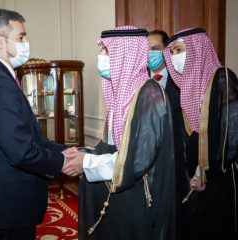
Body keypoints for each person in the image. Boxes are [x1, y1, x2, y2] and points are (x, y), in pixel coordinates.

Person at [63, 25, 176, 240]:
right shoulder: (122, 95)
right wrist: (85, 153)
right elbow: (115, 146)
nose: (101, 57)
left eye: (106, 51)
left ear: (124, 54)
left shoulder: (150, 95)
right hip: (122, 197)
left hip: (140, 201)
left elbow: (136, 161)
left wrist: (86, 163)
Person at [0, 9, 65, 240]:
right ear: (1, 42)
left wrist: (66, 150)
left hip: (7, 199)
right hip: (10, 202)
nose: (27, 43)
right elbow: (21, 151)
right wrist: (64, 162)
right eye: (21, 37)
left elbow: (27, 137)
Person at [162, 28, 238, 240]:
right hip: (200, 177)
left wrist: (204, 172)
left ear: (197, 48)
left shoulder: (223, 78)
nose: (175, 56)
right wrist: (194, 171)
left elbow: (234, 134)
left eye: (180, 50)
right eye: (173, 51)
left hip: (222, 176)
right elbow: (195, 133)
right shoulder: (189, 85)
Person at [147, 30, 188, 240]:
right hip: (146, 169)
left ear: (166, 51)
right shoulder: (139, 82)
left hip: (175, 168)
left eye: (154, 49)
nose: (150, 54)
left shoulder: (181, 84)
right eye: (147, 49)